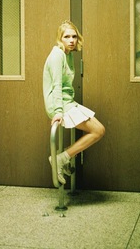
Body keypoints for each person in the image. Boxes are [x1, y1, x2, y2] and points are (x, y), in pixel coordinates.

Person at [43, 20, 105, 184]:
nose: (71, 40)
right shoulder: (57, 55)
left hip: (67, 101)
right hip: (60, 105)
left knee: (99, 130)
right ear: (60, 39)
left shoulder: (67, 55)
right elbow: (56, 85)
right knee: (98, 130)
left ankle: (61, 158)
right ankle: (60, 159)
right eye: (66, 37)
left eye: (74, 36)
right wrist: (57, 112)